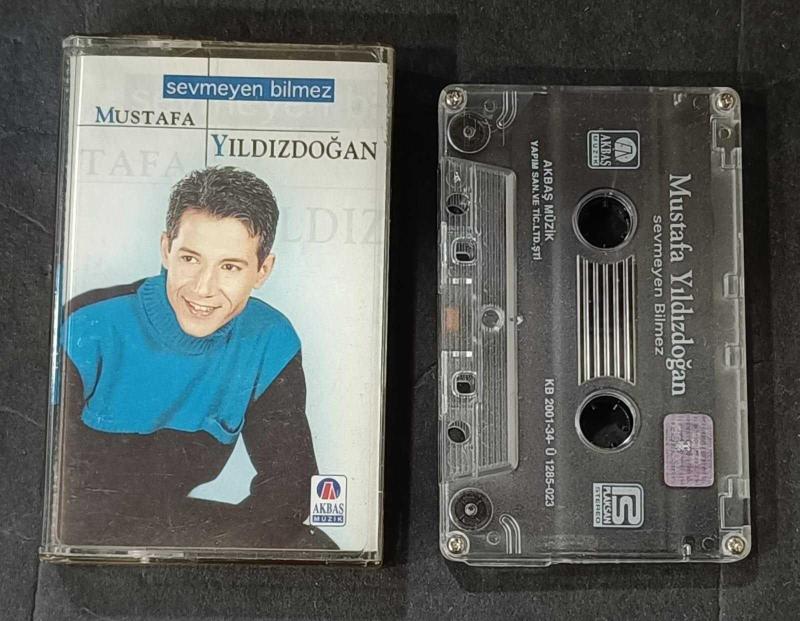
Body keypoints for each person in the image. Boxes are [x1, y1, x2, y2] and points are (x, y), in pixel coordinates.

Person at [56, 166, 335, 549]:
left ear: (263, 271)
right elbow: (40, 482)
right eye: (190, 259)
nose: (204, 288)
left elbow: (293, 488)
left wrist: (212, 562)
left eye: (230, 267)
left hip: (167, 528)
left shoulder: (270, 340)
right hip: (79, 532)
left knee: (311, 545)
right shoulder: (89, 325)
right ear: (166, 249)